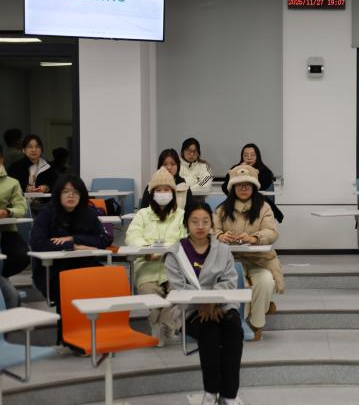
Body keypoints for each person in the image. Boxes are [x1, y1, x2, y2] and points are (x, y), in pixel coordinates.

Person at [165, 203, 245, 405]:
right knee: (209, 331)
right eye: (194, 222)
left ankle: (229, 395)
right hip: (189, 310)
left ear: (211, 223)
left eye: (205, 221)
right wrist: (204, 304)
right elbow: (178, 287)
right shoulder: (175, 253)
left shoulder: (223, 250)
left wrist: (212, 303)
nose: (200, 226)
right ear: (186, 224)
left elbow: (229, 280)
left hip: (222, 305)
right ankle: (210, 393)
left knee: (234, 328)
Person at [213, 164, 284, 341]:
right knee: (237, 283)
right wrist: (220, 236)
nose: (243, 188)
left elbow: (272, 232)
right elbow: (211, 230)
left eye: (247, 185)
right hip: (231, 261)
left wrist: (254, 238)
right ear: (233, 187)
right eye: (239, 185)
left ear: (254, 187)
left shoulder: (264, 207)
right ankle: (239, 321)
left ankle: (256, 324)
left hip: (258, 259)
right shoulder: (222, 209)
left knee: (266, 281)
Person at [30, 175, 113, 311]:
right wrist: (72, 246)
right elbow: (37, 243)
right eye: (66, 191)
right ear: (58, 194)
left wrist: (73, 238)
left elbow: (104, 239)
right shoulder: (47, 212)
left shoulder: (88, 212)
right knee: (69, 288)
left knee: (107, 280)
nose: (71, 195)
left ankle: (97, 322)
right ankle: (66, 324)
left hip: (84, 265)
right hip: (53, 269)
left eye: (75, 192)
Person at [126, 167, 186, 347]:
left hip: (174, 267)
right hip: (147, 267)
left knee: (179, 290)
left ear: (173, 193)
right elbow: (132, 236)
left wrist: (170, 253)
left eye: (166, 189)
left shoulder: (181, 215)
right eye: (158, 190)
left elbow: (186, 239)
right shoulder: (142, 214)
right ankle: (159, 326)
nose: (163, 193)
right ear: (152, 193)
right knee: (149, 290)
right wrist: (146, 250)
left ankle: (164, 325)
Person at [221, 143, 283, 223]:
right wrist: (241, 169)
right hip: (237, 204)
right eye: (246, 155)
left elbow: (260, 187)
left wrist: (249, 171)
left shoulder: (265, 171)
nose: (249, 158)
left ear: (257, 156)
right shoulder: (235, 169)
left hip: (258, 204)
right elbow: (225, 187)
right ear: (242, 157)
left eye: (252, 155)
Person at [0, 145, 30, 278]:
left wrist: (7, 211)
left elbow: (21, 208)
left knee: (22, 256)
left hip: (6, 231)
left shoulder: (12, 183)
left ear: (1, 160)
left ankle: (2, 279)